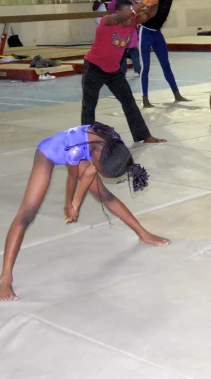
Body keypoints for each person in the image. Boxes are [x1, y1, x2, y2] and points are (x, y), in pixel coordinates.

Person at [0, 122, 169, 301]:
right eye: (99, 167)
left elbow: (89, 172)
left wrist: (76, 204)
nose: (96, 169)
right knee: (27, 214)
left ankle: (143, 234)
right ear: (97, 155)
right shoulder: (75, 149)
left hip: (83, 151)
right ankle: (5, 279)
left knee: (105, 195)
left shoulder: (113, 145)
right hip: (48, 153)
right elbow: (72, 178)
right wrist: (69, 205)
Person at [82, 0, 166, 143]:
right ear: (116, 13)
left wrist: (154, 3)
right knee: (89, 104)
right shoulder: (107, 21)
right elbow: (123, 16)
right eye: (126, 14)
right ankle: (87, 139)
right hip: (94, 67)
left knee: (129, 101)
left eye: (131, 15)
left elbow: (149, 14)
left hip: (114, 71)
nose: (129, 18)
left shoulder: (132, 21)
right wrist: (140, 5)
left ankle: (143, 135)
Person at [138, 0, 199, 107]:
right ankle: (145, 97)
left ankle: (176, 93)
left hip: (157, 33)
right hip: (146, 32)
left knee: (166, 64)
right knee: (146, 67)